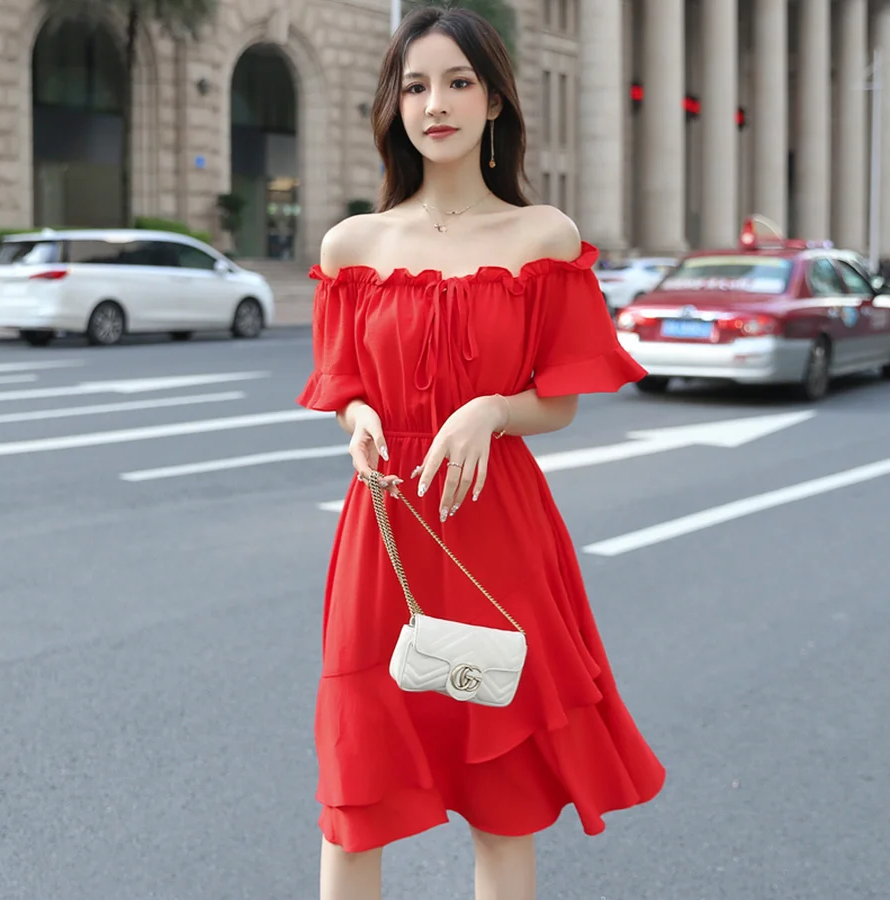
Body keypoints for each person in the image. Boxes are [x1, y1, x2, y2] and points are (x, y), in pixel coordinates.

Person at [296, 7, 666, 899]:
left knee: (505, 802)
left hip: (496, 521)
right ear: (394, 107)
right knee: (357, 795)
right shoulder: (352, 245)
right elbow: (343, 387)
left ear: (495, 100)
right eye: (415, 86)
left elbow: (560, 402)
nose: (436, 104)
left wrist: (491, 411)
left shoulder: (544, 236)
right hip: (386, 527)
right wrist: (360, 421)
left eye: (458, 82)